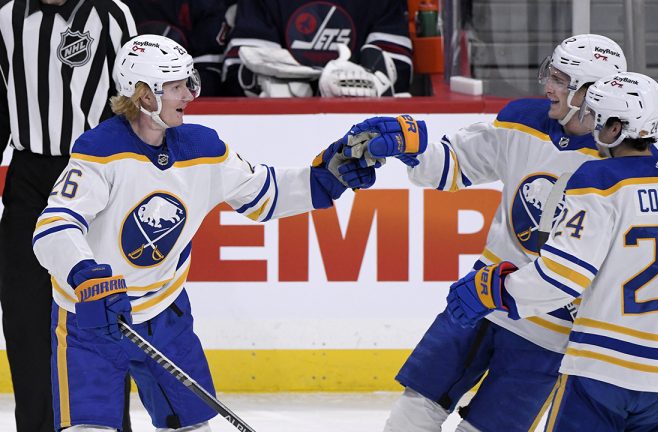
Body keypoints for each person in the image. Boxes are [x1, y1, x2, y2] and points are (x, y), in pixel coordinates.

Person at [30, 34, 425, 431]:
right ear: (144, 95)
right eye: (175, 86)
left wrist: (325, 180)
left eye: (189, 82)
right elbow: (54, 226)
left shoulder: (202, 147)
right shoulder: (99, 152)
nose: (189, 93)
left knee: (194, 427)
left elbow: (264, 194)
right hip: (92, 318)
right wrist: (84, 276)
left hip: (164, 313)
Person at [447, 72, 658, 431]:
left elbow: (561, 276)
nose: (587, 123)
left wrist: (495, 290)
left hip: (602, 370)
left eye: (595, 116)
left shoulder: (599, 180)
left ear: (615, 128)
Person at [369, 34, 628, 432]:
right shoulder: (523, 120)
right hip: (480, 300)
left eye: (560, 80)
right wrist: (414, 148)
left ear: (591, 92)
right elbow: (453, 163)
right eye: (551, 75)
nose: (548, 87)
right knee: (414, 410)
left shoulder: (619, 164)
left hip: (550, 327)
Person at [0, 1, 136, 431]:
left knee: (101, 316)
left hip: (95, 179)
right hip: (29, 182)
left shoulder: (114, 16)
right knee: (25, 321)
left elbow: (133, 105)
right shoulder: (5, 15)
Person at [222, 0, 413, 97]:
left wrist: (370, 83)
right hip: (282, 129)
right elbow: (241, 70)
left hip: (361, 126)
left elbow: (397, 67)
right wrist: (261, 82)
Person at [121, 0, 238, 96]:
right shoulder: (116, 6)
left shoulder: (201, 6)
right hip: (127, 90)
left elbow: (207, 72)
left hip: (186, 96)